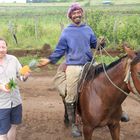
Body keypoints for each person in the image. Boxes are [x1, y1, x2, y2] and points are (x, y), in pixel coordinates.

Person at [38, 3, 106, 137]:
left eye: (79, 12)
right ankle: (74, 123)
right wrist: (49, 60)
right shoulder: (67, 31)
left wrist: (101, 44)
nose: (77, 15)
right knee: (71, 94)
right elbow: (60, 50)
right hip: (74, 65)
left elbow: (95, 45)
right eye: (74, 13)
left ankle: (116, 112)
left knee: (106, 78)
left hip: (89, 62)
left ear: (82, 13)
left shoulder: (88, 29)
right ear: (70, 16)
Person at [0, 38, 30, 140]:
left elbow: (20, 75)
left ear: (6, 48)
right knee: (3, 131)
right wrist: (1, 87)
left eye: (3, 47)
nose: (1, 49)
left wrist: (25, 76)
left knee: (14, 126)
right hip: (1, 104)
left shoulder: (13, 59)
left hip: (15, 100)